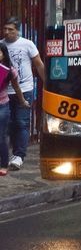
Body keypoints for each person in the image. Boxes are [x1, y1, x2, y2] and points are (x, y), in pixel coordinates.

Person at [1, 17, 45, 171]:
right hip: (6, 91)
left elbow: (38, 64)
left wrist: (47, 83)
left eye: (10, 29)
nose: (7, 32)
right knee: (8, 124)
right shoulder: (1, 45)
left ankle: (19, 155)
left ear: (17, 30)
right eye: (5, 29)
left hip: (25, 88)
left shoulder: (27, 44)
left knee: (21, 122)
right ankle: (9, 154)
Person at [0, 42, 29, 176]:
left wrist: (22, 101)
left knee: (1, 137)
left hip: (2, 107)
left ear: (3, 54)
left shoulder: (9, 71)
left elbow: (17, 88)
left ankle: (3, 164)